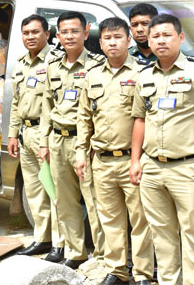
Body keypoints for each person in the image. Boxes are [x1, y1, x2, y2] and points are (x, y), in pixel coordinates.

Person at [130, 14, 194, 285]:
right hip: (152, 167)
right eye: (155, 36)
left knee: (193, 232)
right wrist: (135, 161)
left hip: (188, 166)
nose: (161, 41)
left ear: (180, 38)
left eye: (167, 35)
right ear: (148, 41)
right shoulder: (144, 75)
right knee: (161, 232)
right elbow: (139, 119)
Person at [75, 17, 153, 285]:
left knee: (140, 219)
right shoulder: (93, 75)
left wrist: (140, 159)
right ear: (100, 43)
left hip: (133, 160)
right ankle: (117, 270)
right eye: (107, 38)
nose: (112, 43)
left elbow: (149, 118)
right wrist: (81, 152)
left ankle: (142, 274)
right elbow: (84, 117)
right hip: (102, 161)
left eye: (118, 37)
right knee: (110, 219)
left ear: (128, 40)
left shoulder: (143, 73)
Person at [38, 11, 105, 269]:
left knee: (94, 201)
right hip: (57, 140)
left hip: (84, 143)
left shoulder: (97, 65)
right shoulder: (53, 66)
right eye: (64, 32)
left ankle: (102, 256)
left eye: (75, 31)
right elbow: (47, 106)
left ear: (86, 33)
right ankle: (75, 253)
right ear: (57, 35)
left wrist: (92, 144)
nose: (69, 36)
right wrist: (44, 142)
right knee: (64, 202)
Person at [8, 14, 65, 262]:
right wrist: (12, 134)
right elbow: (16, 102)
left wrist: (46, 139)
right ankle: (42, 239)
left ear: (47, 34)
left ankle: (60, 244)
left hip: (47, 134)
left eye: (35, 32)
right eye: (26, 33)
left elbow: (57, 104)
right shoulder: (21, 63)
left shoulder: (56, 61)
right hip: (25, 133)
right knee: (34, 191)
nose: (30, 37)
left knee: (54, 190)